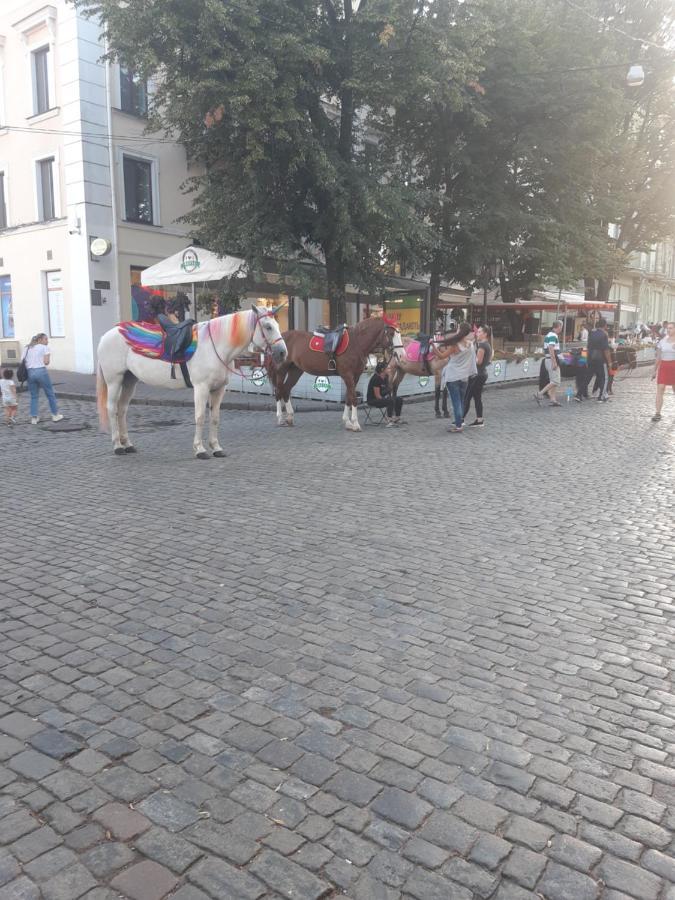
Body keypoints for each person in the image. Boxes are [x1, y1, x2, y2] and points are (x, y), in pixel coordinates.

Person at [436, 323, 476, 433]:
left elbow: (441, 356)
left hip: (453, 376)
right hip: (464, 377)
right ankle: (460, 421)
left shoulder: (455, 345)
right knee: (461, 401)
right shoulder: (470, 344)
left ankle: (458, 425)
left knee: (456, 402)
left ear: (460, 330)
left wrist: (433, 347)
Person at [23, 333, 64, 425]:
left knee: (34, 396)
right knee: (50, 394)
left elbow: (23, 361)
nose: (47, 341)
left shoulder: (27, 348)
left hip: (30, 373)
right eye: (46, 339)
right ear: (40, 340)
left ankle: (34, 417)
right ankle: (55, 415)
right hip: (41, 371)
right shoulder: (44, 347)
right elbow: (46, 362)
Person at [463, 324, 492, 427]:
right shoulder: (487, 345)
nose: (477, 334)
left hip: (477, 375)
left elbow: (478, 361)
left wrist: (470, 357)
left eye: (479, 332)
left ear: (485, 334)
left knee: (467, 396)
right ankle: (479, 419)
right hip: (482, 374)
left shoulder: (483, 346)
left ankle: (460, 419)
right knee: (477, 397)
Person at [533, 321, 563, 407]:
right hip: (551, 360)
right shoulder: (553, 335)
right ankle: (539, 394)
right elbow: (551, 348)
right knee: (555, 381)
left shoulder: (549, 335)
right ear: (559, 326)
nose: (561, 329)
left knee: (553, 380)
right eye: (561, 326)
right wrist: (554, 362)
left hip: (548, 360)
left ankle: (553, 400)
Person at [366, 361, 403, 427]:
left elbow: (387, 391)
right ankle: (389, 420)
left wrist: (390, 395)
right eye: (388, 368)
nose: (390, 369)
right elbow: (377, 396)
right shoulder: (376, 378)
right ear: (383, 370)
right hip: (373, 400)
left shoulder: (386, 377)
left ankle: (397, 418)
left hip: (382, 398)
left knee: (399, 399)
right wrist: (388, 400)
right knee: (390, 401)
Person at [651, 321, 675, 422]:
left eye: (671, 328)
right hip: (664, 367)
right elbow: (658, 357)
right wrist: (654, 371)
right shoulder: (662, 341)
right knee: (660, 389)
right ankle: (657, 413)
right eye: (668, 328)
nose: (668, 330)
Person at [586, 319, 612, 402]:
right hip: (600, 359)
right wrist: (609, 362)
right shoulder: (604, 334)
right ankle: (601, 396)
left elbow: (588, 346)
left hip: (591, 358)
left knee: (589, 377)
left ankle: (579, 394)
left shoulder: (592, 332)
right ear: (605, 325)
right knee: (604, 377)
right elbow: (606, 350)